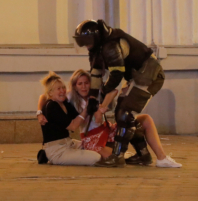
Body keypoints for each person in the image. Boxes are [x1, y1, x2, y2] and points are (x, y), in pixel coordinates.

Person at [73, 19, 172, 167]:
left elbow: (117, 75)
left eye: (87, 41)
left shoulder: (110, 46)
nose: (85, 45)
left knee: (125, 113)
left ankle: (117, 156)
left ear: (96, 37)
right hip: (136, 75)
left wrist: (103, 93)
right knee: (122, 115)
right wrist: (93, 98)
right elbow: (95, 73)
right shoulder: (96, 49)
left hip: (149, 75)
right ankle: (143, 156)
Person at [38, 69, 182, 168]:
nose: (83, 86)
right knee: (113, 161)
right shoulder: (70, 97)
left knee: (144, 120)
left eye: (86, 83)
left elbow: (113, 91)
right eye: (80, 84)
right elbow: (44, 96)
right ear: (75, 86)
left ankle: (161, 158)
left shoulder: (95, 94)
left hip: (106, 129)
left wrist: (102, 107)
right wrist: (39, 112)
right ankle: (139, 155)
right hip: (91, 137)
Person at [38, 71, 101, 166]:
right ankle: (48, 155)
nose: (62, 91)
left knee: (97, 148)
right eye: (58, 89)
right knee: (96, 158)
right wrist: (86, 109)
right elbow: (72, 126)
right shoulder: (51, 106)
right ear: (50, 92)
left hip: (69, 143)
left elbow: (78, 118)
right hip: (57, 150)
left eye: (63, 87)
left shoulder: (64, 103)